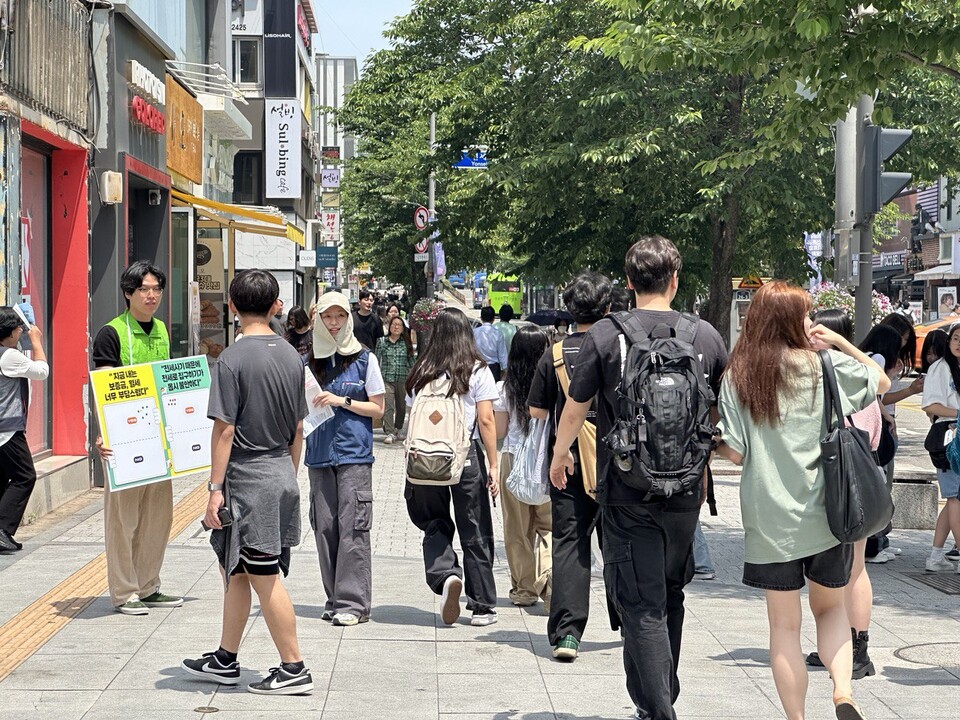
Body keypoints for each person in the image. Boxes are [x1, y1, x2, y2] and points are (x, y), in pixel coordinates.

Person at [549, 237, 727, 717]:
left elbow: (575, 408)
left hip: (627, 490)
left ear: (627, 283)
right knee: (670, 593)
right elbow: (721, 411)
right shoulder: (704, 336)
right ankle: (660, 696)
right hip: (687, 491)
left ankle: (658, 709)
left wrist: (560, 455)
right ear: (675, 279)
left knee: (640, 603)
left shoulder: (607, 336)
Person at [716, 281, 888, 720]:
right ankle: (844, 692)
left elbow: (734, 452)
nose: (812, 324)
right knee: (830, 612)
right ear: (793, 321)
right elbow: (882, 379)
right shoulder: (820, 366)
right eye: (807, 316)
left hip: (771, 520)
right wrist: (840, 341)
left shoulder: (738, 376)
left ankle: (797, 718)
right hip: (828, 516)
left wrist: (712, 444)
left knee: (784, 628)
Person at [182, 269, 312, 695]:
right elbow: (298, 429)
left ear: (232, 306)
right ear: (276, 305)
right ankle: (225, 657)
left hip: (246, 476)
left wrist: (213, 489)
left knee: (262, 573)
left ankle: (294, 667)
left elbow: (223, 430)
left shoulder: (233, 360)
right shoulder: (293, 356)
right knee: (237, 568)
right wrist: (286, 476)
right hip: (278, 469)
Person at [529, 270, 615, 662]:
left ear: (570, 310)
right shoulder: (622, 347)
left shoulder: (557, 353)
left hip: (568, 461)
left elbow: (536, 409)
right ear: (608, 307)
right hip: (619, 460)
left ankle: (567, 634)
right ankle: (632, 621)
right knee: (622, 543)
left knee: (569, 543)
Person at [93, 261, 183, 615]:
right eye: (144, 289)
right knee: (123, 519)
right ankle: (124, 591)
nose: (151, 296)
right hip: (124, 440)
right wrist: (100, 436)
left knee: (158, 517)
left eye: (156, 289)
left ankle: (149, 586)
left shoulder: (161, 329)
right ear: (128, 293)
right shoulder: (111, 333)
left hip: (158, 440)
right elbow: (102, 389)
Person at [405, 308, 501, 627]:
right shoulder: (476, 370)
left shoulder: (422, 369)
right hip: (466, 455)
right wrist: (494, 464)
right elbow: (486, 420)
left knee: (434, 521)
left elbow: (412, 414)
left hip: (426, 457)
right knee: (474, 527)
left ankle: (445, 575)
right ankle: (482, 604)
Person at [804, 308, 885, 680]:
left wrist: (838, 346)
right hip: (857, 482)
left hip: (841, 484)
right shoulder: (854, 372)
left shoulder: (841, 374)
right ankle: (849, 646)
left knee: (845, 571)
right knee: (851, 569)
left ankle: (850, 648)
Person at [305, 292, 386, 626]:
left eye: (340, 316)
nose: (334, 323)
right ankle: (333, 598)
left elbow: (379, 410)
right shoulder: (308, 360)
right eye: (328, 317)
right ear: (318, 320)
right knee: (324, 528)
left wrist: (343, 401)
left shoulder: (365, 359)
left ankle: (353, 604)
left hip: (355, 454)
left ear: (349, 319)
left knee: (353, 528)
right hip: (319, 455)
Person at [494, 325, 552, 610]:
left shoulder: (504, 387)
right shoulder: (555, 383)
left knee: (517, 528)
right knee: (549, 526)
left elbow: (500, 430)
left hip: (514, 458)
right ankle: (551, 580)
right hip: (548, 460)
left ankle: (525, 590)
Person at [0, 307, 49, 552]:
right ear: (9, 333)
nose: (22, 331)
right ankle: (3, 530)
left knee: (1, 479)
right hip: (7, 430)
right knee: (24, 476)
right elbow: (42, 372)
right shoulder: (8, 356)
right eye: (19, 328)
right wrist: (36, 341)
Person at [921, 323, 960, 574]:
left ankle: (935, 555)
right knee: (955, 496)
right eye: (956, 338)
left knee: (953, 498)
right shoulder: (941, 368)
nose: (958, 343)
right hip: (949, 438)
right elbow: (930, 406)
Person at [375, 316, 415, 444]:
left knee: (402, 407)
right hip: (386, 379)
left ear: (403, 328)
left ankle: (398, 429)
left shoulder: (406, 343)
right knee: (388, 407)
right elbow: (376, 361)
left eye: (399, 325)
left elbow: (411, 362)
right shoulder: (381, 342)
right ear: (389, 326)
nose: (396, 327)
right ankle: (390, 432)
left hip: (403, 379)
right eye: (394, 324)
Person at [474, 305, 508, 381]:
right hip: (494, 369)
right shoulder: (498, 334)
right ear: (493, 319)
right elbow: (502, 355)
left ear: (481, 318)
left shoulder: (474, 332)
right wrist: (505, 370)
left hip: (478, 367)